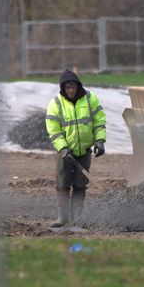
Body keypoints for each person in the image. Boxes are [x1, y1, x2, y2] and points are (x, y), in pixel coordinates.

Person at [45, 69, 106, 227]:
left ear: (78, 86)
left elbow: (99, 121)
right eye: (68, 88)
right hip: (65, 152)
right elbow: (53, 128)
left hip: (84, 151)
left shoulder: (90, 99)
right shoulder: (56, 103)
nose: (71, 90)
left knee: (80, 184)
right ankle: (62, 217)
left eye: (73, 87)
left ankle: (77, 217)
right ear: (63, 88)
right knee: (63, 183)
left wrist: (100, 141)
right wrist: (62, 147)